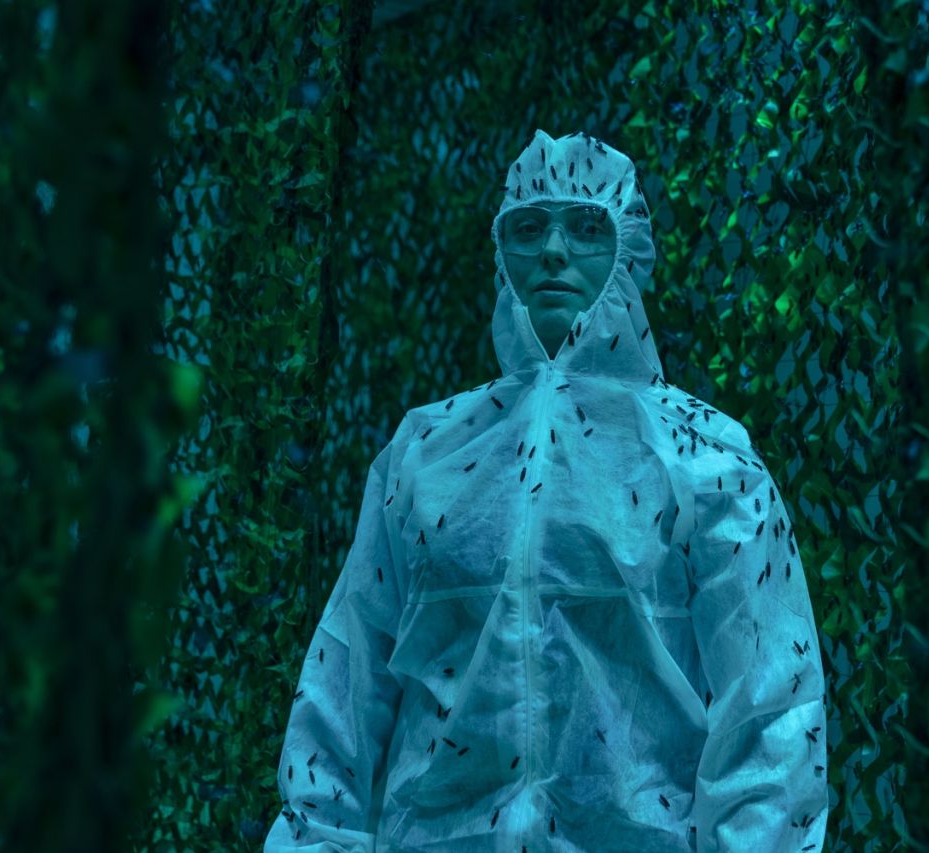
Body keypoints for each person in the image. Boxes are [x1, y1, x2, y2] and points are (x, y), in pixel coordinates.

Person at [264, 129, 828, 852]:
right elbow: (345, 684)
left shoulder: (705, 457)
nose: (554, 249)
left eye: (586, 225)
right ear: (502, 253)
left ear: (629, 247)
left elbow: (770, 709)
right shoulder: (426, 452)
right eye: (528, 227)